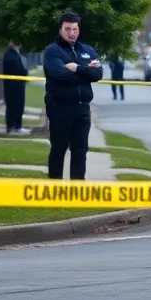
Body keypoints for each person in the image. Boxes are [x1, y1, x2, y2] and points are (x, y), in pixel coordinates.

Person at [43, 12, 103, 180]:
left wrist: (77, 68)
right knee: (59, 148)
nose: (71, 33)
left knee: (80, 149)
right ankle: (54, 186)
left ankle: (77, 187)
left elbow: (97, 74)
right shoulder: (52, 51)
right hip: (60, 107)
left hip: (82, 108)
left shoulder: (87, 50)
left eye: (74, 29)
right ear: (60, 29)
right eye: (67, 29)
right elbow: (59, 74)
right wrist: (86, 73)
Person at [2, 40, 29, 134]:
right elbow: (17, 69)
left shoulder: (15, 54)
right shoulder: (10, 55)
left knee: (18, 105)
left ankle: (17, 125)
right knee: (13, 106)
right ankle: (12, 126)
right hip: (13, 85)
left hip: (18, 84)